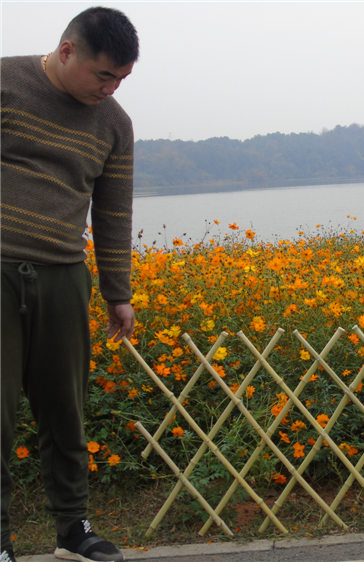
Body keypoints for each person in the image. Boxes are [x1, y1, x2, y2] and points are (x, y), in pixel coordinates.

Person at [1, 7, 139, 562]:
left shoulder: (114, 124)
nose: (110, 89)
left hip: (63, 275)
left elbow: (112, 213)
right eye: (103, 75)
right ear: (66, 52)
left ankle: (74, 530)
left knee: (65, 409)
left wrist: (118, 292)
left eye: (122, 79)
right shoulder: (6, 83)